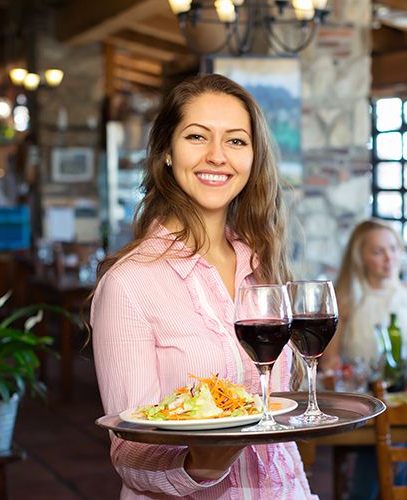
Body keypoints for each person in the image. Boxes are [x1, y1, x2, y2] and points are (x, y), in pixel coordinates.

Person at [91, 74, 315, 499]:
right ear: (167, 153)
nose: (217, 156)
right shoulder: (129, 284)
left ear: (253, 158)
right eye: (197, 137)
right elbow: (129, 457)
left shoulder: (263, 268)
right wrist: (201, 463)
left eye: (235, 141)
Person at [322, 218, 407, 374]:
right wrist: (337, 370)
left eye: (393, 248)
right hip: (362, 394)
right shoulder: (344, 298)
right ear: (360, 258)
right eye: (378, 252)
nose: (389, 257)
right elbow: (328, 363)